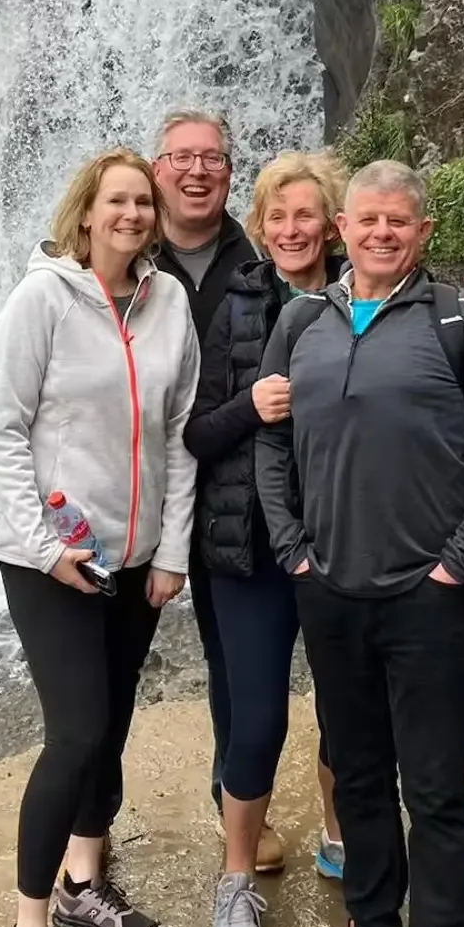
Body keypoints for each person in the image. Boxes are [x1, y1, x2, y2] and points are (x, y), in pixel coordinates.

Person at [257, 160, 464, 927]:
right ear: (342, 224)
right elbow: (271, 443)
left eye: (398, 222)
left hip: (432, 598)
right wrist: (292, 546)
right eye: (366, 220)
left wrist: (462, 563)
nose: (381, 234)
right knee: (359, 772)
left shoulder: (460, 321)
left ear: (421, 228)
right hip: (330, 591)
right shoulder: (303, 320)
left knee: (437, 787)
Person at [0, 148, 199, 927]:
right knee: (74, 734)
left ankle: (83, 884)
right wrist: (43, 546)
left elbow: (181, 432)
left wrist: (172, 551)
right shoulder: (41, 300)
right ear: (86, 211)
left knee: (107, 730)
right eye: (118, 200)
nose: (134, 214)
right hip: (52, 562)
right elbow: (1, 429)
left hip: (136, 556)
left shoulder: (169, 301)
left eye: (143, 202)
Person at [184, 150, 348, 927]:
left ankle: (340, 839)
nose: (291, 229)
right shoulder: (236, 305)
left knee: (348, 710)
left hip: (344, 540)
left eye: (305, 215)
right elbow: (197, 430)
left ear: (333, 222)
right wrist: (250, 405)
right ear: (259, 224)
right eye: (276, 216)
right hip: (247, 548)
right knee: (256, 718)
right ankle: (236, 877)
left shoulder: (367, 298)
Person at [150, 110, 280, 869]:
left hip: (234, 487)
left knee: (235, 660)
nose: (198, 171)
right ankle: (85, 842)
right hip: (146, 483)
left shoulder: (259, 251)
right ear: (157, 166)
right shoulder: (127, 247)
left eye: (213, 159)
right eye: (182, 158)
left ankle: (234, 801)